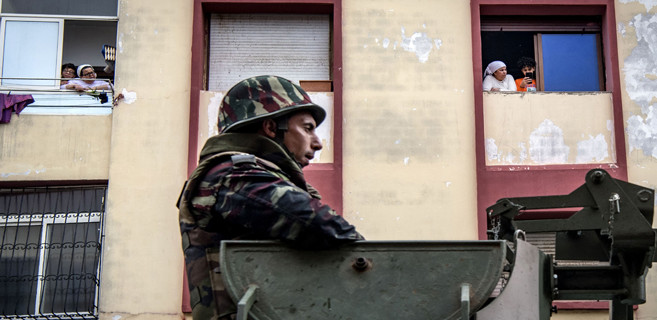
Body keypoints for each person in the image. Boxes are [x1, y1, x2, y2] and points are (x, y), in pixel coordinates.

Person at [178, 75, 364, 320]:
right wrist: (368, 261)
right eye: (308, 128)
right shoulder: (233, 175)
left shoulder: (249, 175)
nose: (318, 143)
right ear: (271, 127)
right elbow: (318, 224)